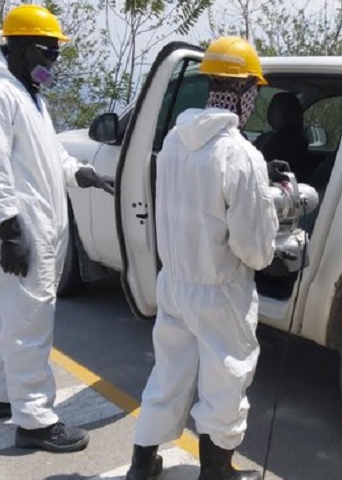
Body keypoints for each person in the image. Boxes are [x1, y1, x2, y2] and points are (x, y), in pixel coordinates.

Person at [125, 36, 286, 480]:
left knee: (169, 373)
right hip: (220, 291)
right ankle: (217, 472)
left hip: (175, 283)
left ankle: (142, 464)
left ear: (212, 84)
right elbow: (254, 248)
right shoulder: (241, 155)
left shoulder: (176, 140)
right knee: (225, 380)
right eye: (253, 89)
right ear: (244, 91)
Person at [0, 4, 114, 453]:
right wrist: (8, 231)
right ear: (22, 49)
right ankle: (35, 419)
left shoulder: (30, 98)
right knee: (31, 320)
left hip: (38, 228)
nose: (53, 61)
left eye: (56, 52)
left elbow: (49, 157)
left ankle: (0, 396)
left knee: (11, 314)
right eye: (48, 52)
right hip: (21, 229)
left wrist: (80, 173)